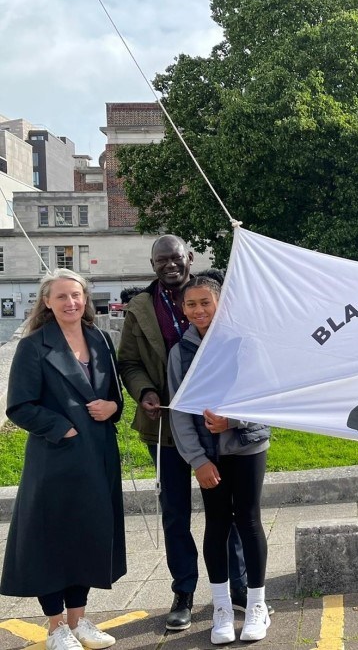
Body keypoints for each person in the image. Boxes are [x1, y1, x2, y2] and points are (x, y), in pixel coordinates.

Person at [117, 235, 252, 630]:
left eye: (175, 258)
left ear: (189, 258)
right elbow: (128, 361)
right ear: (153, 264)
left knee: (227, 512)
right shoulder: (140, 307)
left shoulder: (216, 300)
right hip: (163, 427)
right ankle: (184, 591)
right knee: (175, 513)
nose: (169, 265)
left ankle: (238, 588)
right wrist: (144, 390)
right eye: (160, 261)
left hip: (215, 426)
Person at [1, 269, 125, 650]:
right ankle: (56, 627)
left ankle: (79, 619)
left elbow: (113, 393)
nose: (71, 303)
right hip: (56, 457)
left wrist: (114, 407)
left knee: (86, 535)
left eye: (76, 295)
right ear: (47, 303)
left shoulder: (101, 338)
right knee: (51, 539)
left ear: (85, 299)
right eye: (61, 297)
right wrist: (62, 426)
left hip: (98, 455)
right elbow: (19, 406)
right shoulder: (34, 345)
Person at [167, 276, 272, 643]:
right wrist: (197, 459)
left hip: (246, 448)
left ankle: (257, 604)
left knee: (249, 520)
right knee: (216, 524)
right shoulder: (180, 353)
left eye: (206, 303)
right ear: (183, 309)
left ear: (220, 303)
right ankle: (222, 607)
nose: (199, 310)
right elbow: (179, 411)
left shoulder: (244, 342)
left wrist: (233, 420)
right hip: (209, 457)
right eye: (191, 304)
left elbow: (266, 396)